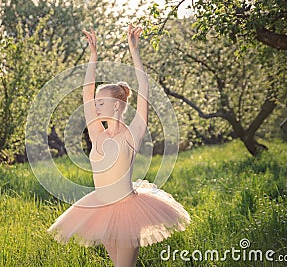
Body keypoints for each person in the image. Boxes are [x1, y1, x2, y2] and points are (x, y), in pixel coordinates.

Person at [47, 24, 191, 267]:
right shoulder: (96, 133)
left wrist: (134, 50)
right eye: (96, 102)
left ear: (116, 105)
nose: (96, 105)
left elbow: (144, 89)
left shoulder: (132, 134)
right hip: (100, 211)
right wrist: (93, 57)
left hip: (127, 211)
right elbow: (85, 93)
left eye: (101, 102)